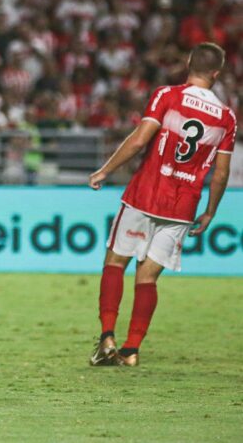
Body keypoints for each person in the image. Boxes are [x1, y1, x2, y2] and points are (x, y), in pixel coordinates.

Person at [88, 42, 236, 367]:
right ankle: (131, 350)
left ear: (188, 63)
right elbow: (221, 172)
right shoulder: (226, 118)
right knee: (148, 277)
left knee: (115, 262)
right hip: (182, 206)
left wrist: (105, 170)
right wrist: (210, 211)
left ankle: (107, 337)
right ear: (216, 73)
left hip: (145, 193)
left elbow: (140, 139)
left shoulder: (167, 95)